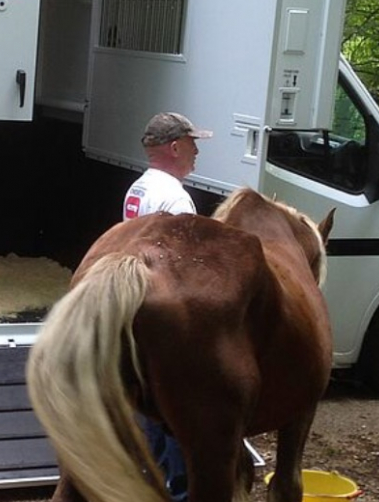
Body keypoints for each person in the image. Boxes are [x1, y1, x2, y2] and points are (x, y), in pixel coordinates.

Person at [122, 111, 212, 502]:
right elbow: (187, 267)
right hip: (167, 319)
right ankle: (178, 490)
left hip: (137, 313)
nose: (197, 153)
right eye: (193, 144)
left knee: (151, 408)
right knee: (179, 414)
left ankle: (151, 484)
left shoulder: (137, 190)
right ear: (175, 147)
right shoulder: (176, 198)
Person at [123, 111, 213, 220]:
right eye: (191, 143)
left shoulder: (137, 188)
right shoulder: (175, 200)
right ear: (175, 149)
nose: (196, 151)